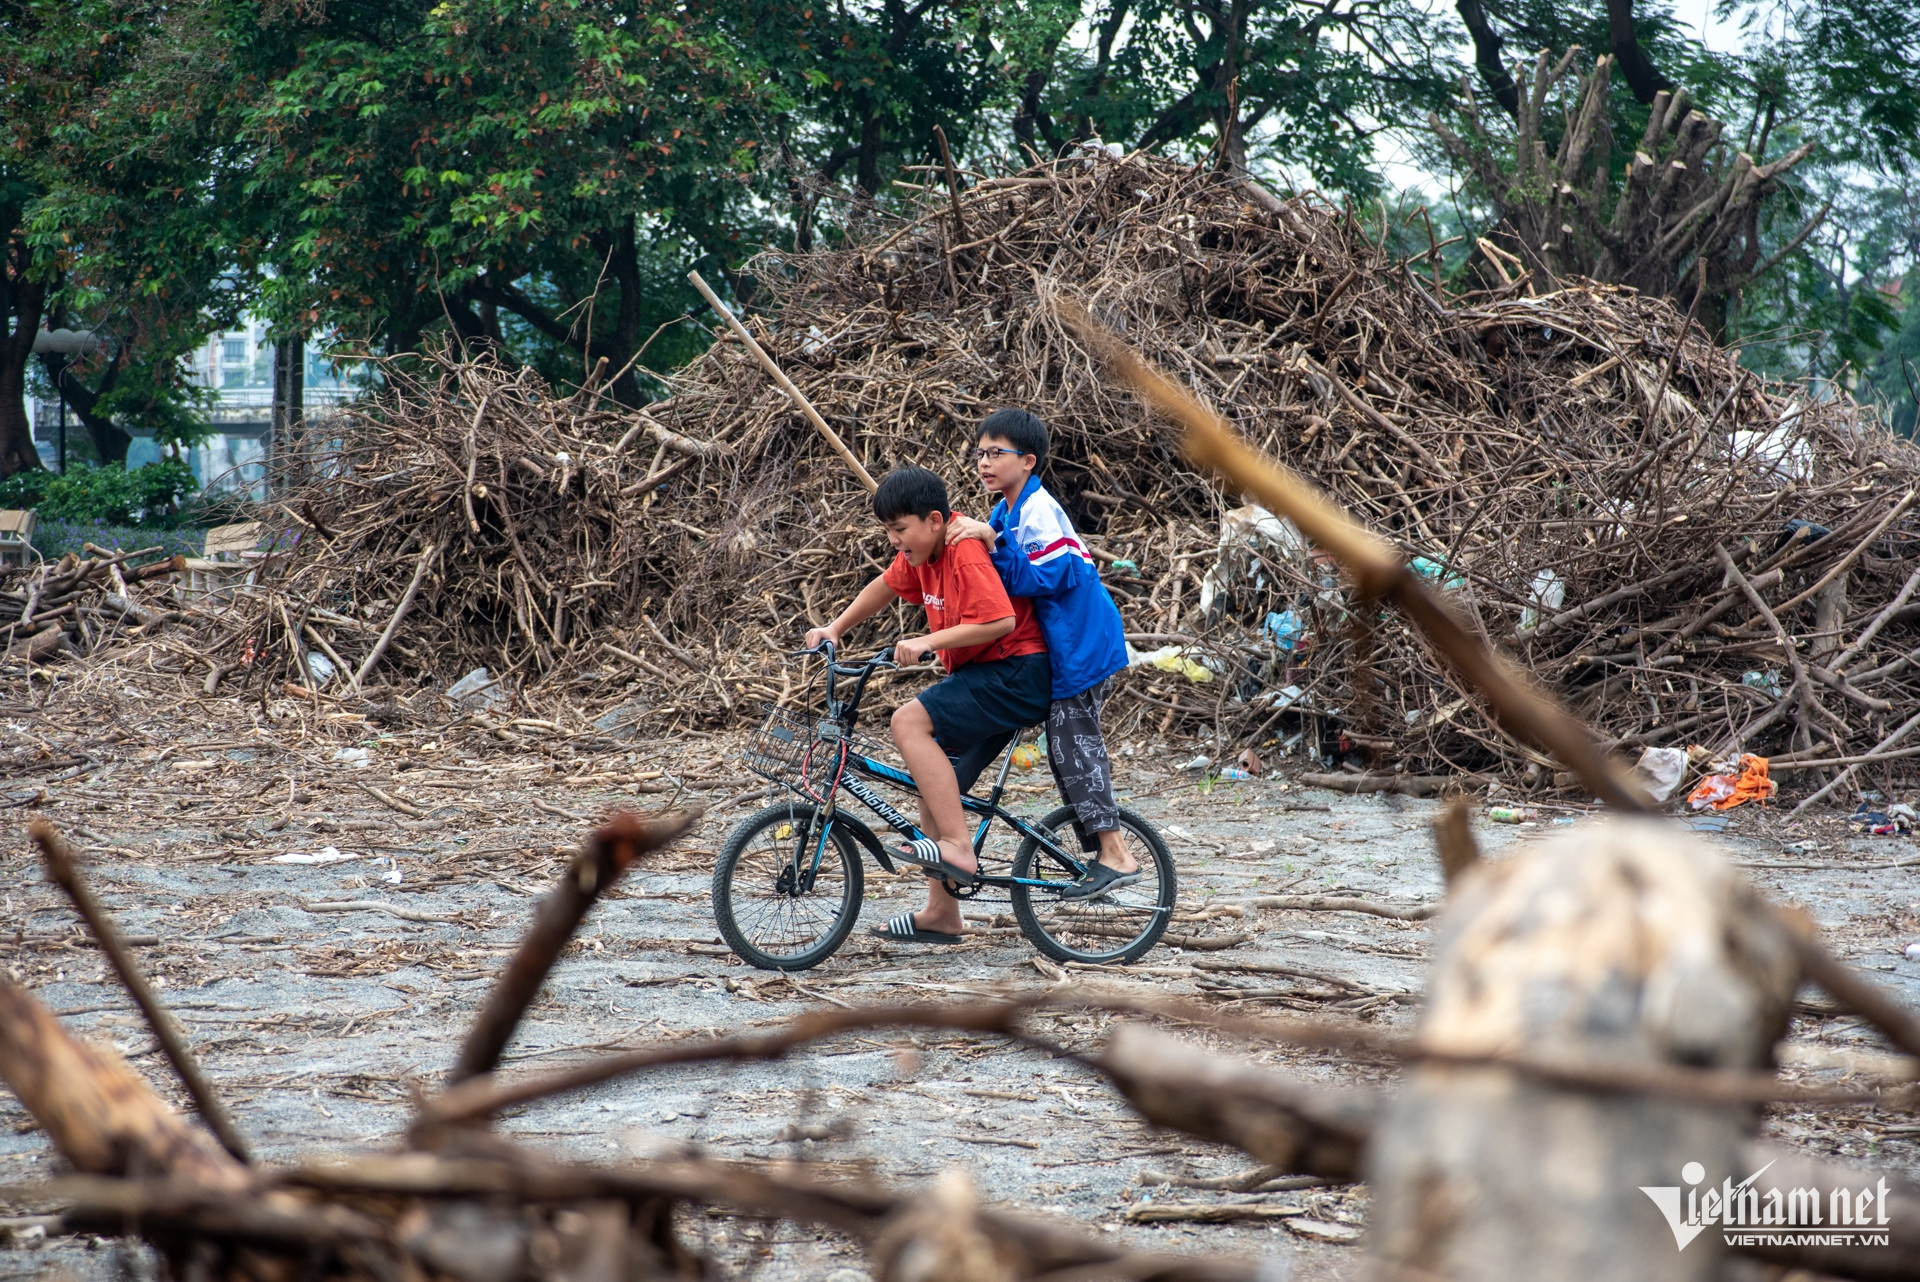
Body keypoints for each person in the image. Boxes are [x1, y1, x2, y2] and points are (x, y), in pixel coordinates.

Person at [803, 465, 1051, 944]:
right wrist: (835, 627)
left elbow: (999, 621)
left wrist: (927, 641)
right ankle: (942, 913)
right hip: (992, 675)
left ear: (934, 520)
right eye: (889, 531)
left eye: (900, 529)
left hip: (1016, 672)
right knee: (937, 783)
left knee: (908, 722)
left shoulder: (963, 550)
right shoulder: (923, 554)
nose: (895, 540)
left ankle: (958, 847)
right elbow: (887, 584)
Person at [946, 408, 1140, 899]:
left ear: (1028, 461)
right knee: (1061, 751)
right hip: (1060, 648)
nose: (984, 462)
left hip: (1082, 645)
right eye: (980, 453)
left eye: (996, 453)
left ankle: (1115, 851)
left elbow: (1046, 577)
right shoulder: (1005, 511)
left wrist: (993, 543)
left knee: (1073, 744)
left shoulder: (1037, 509)